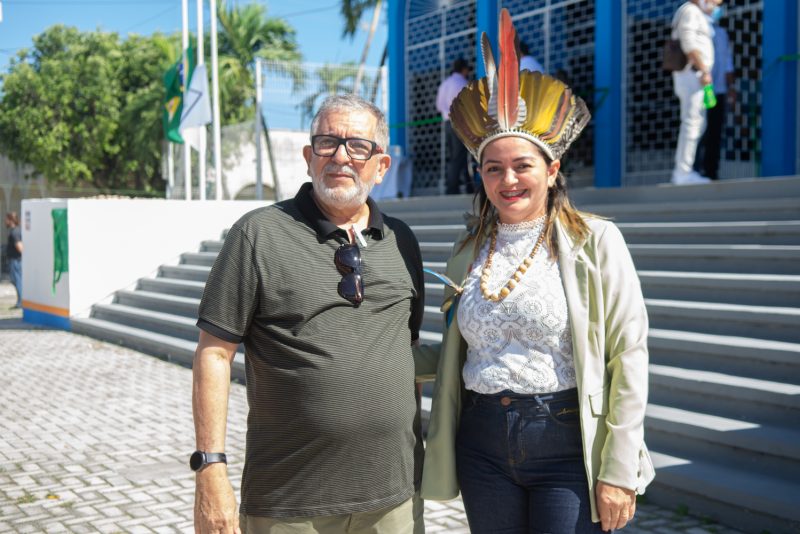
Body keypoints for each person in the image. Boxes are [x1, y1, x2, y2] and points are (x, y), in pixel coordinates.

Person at [414, 9, 654, 533]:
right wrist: (368, 348)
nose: (508, 179)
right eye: (493, 168)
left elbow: (628, 357)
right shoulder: (469, 249)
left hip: (566, 441)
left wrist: (618, 470)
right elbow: (464, 349)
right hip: (480, 442)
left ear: (551, 168)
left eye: (522, 165)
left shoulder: (595, 241)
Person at [192, 94, 426, 534]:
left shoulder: (402, 241)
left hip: (393, 500)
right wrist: (210, 468)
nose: (340, 156)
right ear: (308, 157)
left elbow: (406, 347)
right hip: (289, 503)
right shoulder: (257, 234)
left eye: (358, 146)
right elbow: (213, 355)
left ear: (382, 166)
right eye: (326, 143)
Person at [670, 0, 724, 185]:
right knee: (692, 123)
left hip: (695, 76)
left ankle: (685, 170)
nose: (716, 7)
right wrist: (704, 69)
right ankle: (683, 173)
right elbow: (689, 42)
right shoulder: (691, 11)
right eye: (715, 2)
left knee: (697, 123)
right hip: (693, 75)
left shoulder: (696, 13)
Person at [695, 6, 735, 180]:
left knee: (714, 131)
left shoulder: (721, 33)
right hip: (700, 89)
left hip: (717, 90)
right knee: (698, 130)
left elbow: (727, 63)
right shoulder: (697, 31)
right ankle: (693, 171)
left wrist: (731, 88)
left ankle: (711, 172)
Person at [436, 58, 473, 195]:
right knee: (459, 156)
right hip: (460, 122)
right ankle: (452, 189)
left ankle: (468, 186)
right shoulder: (463, 83)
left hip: (447, 123)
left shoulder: (445, 84)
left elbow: (439, 106)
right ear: (464, 69)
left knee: (457, 156)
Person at [5, 212, 23, 309]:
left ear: (11, 220)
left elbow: (19, 246)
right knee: (15, 280)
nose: (5, 221)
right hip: (15, 260)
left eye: (6, 219)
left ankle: (21, 301)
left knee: (17, 280)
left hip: (15, 260)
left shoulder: (14, 232)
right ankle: (20, 300)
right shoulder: (16, 230)